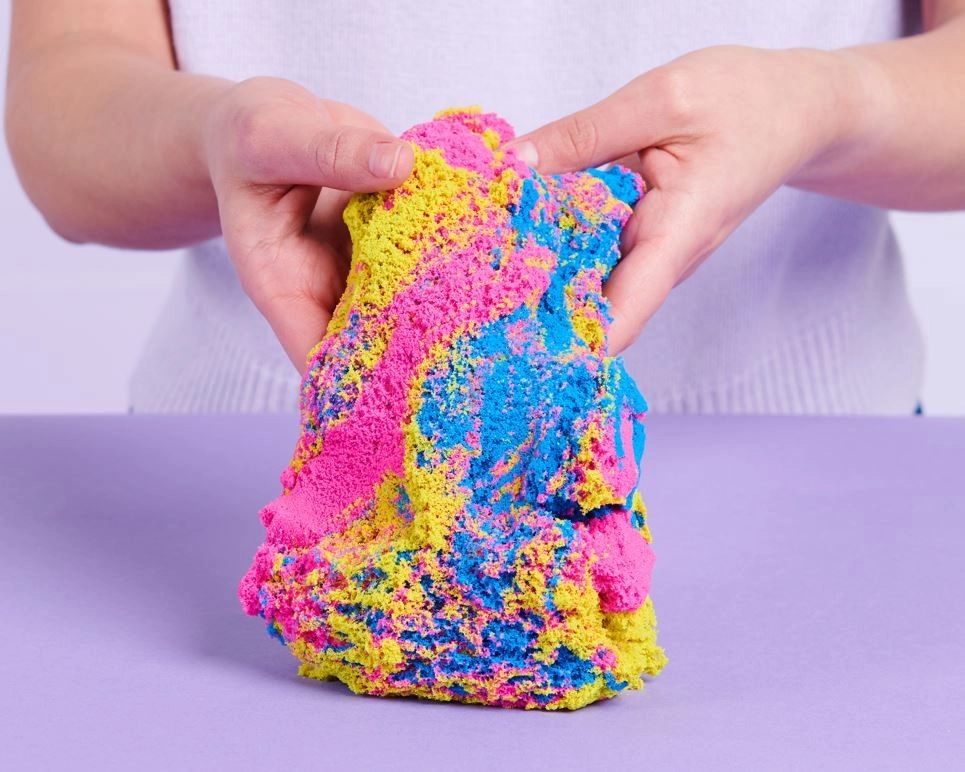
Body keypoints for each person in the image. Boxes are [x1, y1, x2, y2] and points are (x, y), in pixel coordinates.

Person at [5, 1, 965, 414]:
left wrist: (823, 105)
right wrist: (216, 139)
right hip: (234, 457)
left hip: (821, 454)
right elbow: (64, 103)